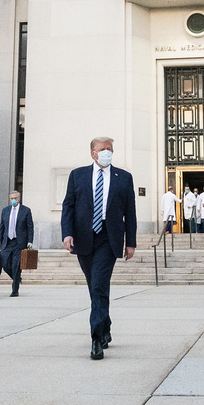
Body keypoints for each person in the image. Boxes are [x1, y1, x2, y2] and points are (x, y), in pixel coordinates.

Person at [61, 136, 137, 360]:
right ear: (93, 153)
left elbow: (130, 212)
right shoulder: (78, 175)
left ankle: (96, 338)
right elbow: (68, 206)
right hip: (84, 237)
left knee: (99, 284)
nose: (108, 152)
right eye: (103, 149)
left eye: (110, 149)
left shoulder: (123, 177)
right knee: (95, 286)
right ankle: (105, 325)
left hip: (108, 237)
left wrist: (130, 242)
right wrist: (67, 233)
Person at [0, 191, 34, 297]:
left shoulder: (26, 210)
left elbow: (30, 227)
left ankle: (15, 290)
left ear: (19, 198)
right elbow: (2, 227)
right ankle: (17, 278)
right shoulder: (5, 210)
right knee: (5, 264)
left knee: (16, 266)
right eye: (11, 198)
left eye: (16, 198)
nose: (13, 200)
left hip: (19, 242)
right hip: (7, 242)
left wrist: (30, 241)